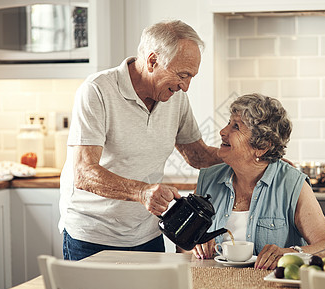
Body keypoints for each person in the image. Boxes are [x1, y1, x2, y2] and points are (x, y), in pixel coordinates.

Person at [59, 20, 221, 261]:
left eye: (191, 77)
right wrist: (142, 192)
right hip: (92, 236)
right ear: (153, 61)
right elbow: (84, 172)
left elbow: (198, 155)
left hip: (147, 235)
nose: (186, 87)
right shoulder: (97, 90)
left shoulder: (174, 98)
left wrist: (257, 159)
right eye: (183, 75)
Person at [189, 93, 325, 269]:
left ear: (262, 146)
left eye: (235, 127)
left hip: (271, 287)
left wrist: (290, 252)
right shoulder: (208, 179)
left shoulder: (291, 183)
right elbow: (183, 245)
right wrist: (194, 245)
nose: (223, 131)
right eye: (229, 123)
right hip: (210, 285)